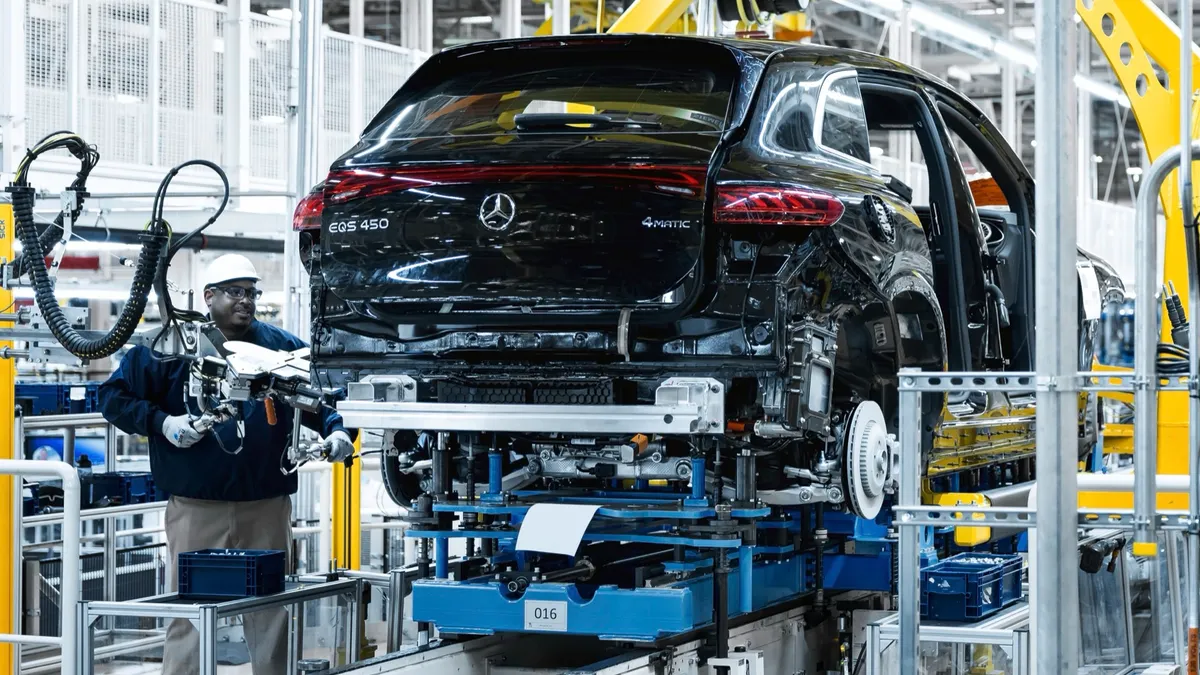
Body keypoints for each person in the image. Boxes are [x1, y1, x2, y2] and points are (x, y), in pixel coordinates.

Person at [98, 253, 354, 675]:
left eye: (251, 292)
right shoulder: (168, 348)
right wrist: (163, 424)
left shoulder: (280, 347)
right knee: (190, 612)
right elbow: (114, 398)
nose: (246, 301)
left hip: (266, 506)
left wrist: (339, 430)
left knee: (270, 609)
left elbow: (322, 398)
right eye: (235, 292)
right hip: (196, 509)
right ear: (208, 296)